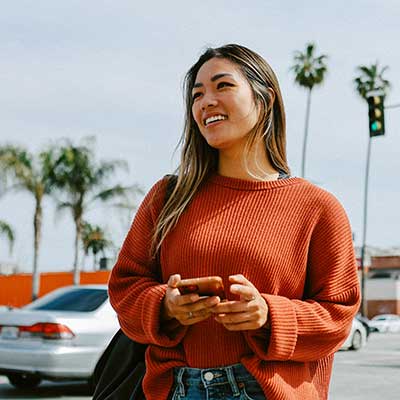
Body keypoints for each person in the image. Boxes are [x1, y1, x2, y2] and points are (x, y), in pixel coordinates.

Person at [108, 44, 361, 400]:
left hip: (267, 391)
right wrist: (164, 305)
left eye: (222, 86)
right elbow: (124, 288)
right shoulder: (168, 197)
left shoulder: (317, 207)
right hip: (177, 389)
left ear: (265, 99)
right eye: (197, 95)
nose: (206, 101)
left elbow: (338, 315)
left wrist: (269, 315)